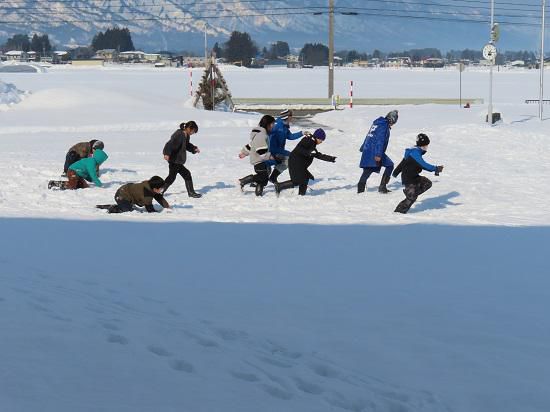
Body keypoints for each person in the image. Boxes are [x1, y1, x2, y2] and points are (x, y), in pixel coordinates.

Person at [392, 133, 444, 214]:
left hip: (415, 177)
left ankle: (412, 193)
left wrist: (395, 172)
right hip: (408, 179)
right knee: (411, 198)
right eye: (426, 145)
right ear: (423, 145)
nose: (427, 147)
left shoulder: (413, 151)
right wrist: (436, 168)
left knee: (427, 183)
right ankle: (399, 212)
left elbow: (403, 162)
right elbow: (424, 165)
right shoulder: (415, 154)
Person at [275, 128, 336, 196]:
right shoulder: (308, 140)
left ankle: (301, 195)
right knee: (298, 181)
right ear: (317, 138)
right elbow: (299, 149)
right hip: (295, 162)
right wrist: (309, 153)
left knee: (305, 179)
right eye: (321, 140)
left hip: (299, 163)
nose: (321, 142)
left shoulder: (312, 142)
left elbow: (317, 155)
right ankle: (280, 186)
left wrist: (330, 158)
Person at [357, 110, 398, 194]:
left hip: (368, 150)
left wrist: (363, 147)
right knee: (390, 165)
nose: (393, 125)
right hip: (375, 151)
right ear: (392, 120)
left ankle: (360, 190)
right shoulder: (384, 126)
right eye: (394, 122)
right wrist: (378, 154)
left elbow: (369, 135)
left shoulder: (377, 123)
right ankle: (382, 187)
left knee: (368, 170)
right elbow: (380, 140)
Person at [238, 115, 276, 196]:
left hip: (260, 159)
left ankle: (258, 193)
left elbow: (251, 145)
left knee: (264, 176)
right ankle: (243, 181)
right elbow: (261, 150)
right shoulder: (262, 135)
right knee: (263, 177)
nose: (274, 126)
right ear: (268, 124)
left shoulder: (261, 134)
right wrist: (270, 156)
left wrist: (244, 152)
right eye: (273, 124)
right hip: (258, 160)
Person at [162, 121, 202, 198]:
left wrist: (194, 148)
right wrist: (167, 153)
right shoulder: (179, 134)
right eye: (193, 131)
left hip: (178, 161)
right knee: (171, 177)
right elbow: (170, 144)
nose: (193, 133)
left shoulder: (186, 135)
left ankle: (191, 192)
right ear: (188, 128)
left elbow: (186, 145)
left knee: (186, 174)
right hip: (174, 160)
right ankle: (160, 191)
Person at [96, 176, 170, 214]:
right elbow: (149, 208)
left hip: (127, 194)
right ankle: (113, 208)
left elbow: (159, 197)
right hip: (122, 195)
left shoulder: (150, 186)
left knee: (129, 207)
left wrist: (167, 206)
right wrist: (158, 214)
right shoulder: (147, 193)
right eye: (161, 188)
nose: (161, 190)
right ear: (155, 188)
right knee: (127, 210)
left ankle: (122, 205)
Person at [268, 109, 304, 183]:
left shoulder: (285, 126)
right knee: (264, 172)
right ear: (287, 117)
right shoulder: (276, 126)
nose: (292, 117)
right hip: (270, 152)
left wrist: (302, 133)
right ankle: (253, 182)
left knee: (288, 160)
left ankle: (273, 177)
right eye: (291, 115)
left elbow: (290, 136)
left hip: (278, 151)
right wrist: (286, 152)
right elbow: (271, 145)